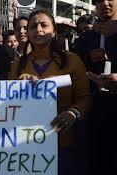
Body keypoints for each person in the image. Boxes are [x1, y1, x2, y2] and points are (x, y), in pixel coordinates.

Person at [10, 9, 91, 175]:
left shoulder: (72, 61)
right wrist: (17, 88)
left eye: (44, 25)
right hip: (25, 145)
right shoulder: (17, 64)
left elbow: (85, 98)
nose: (38, 29)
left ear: (53, 32)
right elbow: (7, 104)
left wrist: (73, 113)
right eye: (33, 26)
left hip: (63, 144)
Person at [75, 0, 117, 174]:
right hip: (94, 115)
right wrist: (88, 57)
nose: (105, 3)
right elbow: (74, 70)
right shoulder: (86, 38)